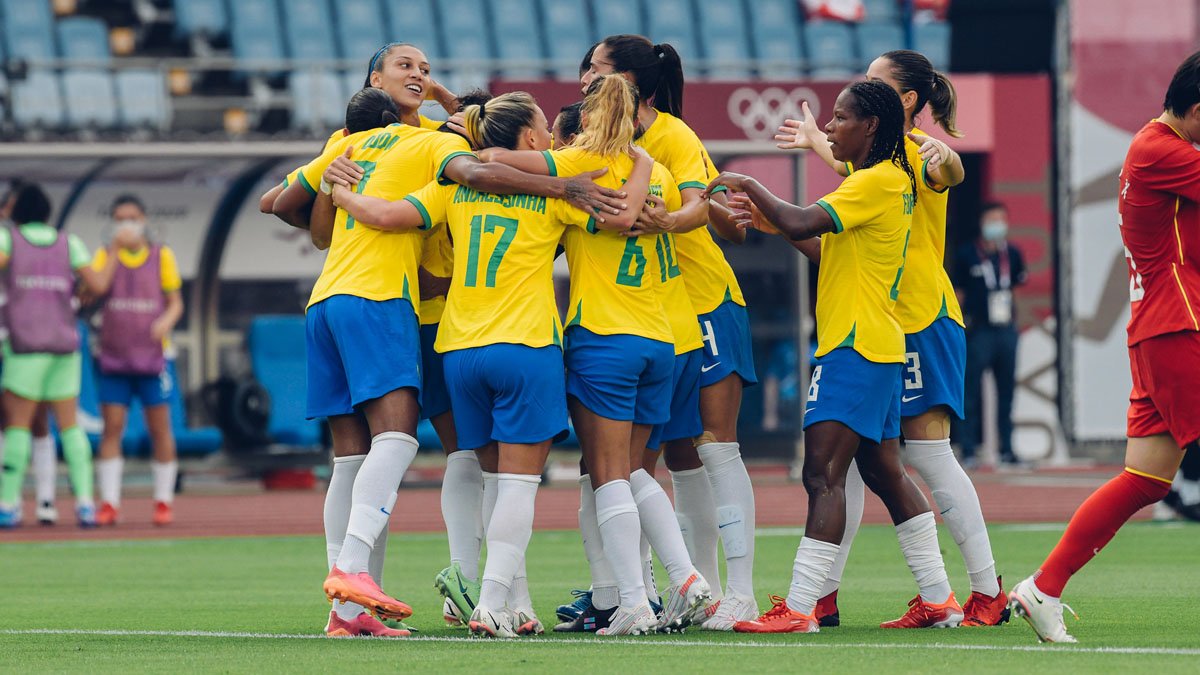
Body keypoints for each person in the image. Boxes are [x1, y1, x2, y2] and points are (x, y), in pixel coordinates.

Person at [304, 44, 634, 629]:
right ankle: (493, 597)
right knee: (504, 478)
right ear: (533, 140)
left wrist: (340, 193)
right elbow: (621, 215)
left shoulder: (363, 152)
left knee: (387, 460)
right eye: (409, 69)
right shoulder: (486, 167)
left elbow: (306, 206)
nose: (421, 78)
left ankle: (360, 603)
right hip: (509, 339)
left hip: (447, 338)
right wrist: (617, 176)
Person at [706, 80, 959, 634]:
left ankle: (798, 609)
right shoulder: (883, 182)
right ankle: (939, 598)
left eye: (840, 118)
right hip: (875, 345)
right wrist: (776, 222)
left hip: (855, 347)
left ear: (870, 126)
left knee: (821, 473)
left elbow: (801, 220)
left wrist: (750, 182)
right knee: (884, 472)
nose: (829, 129)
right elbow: (824, 247)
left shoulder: (875, 180)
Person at [777, 49, 1008, 626]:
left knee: (927, 455)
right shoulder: (879, 160)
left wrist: (951, 159)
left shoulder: (914, 153)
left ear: (904, 101)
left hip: (919, 317)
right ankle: (827, 597)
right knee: (856, 462)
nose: (860, 91)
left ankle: (986, 590)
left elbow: (948, 173)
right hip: (888, 319)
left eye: (873, 84)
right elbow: (844, 169)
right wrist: (814, 142)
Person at [568, 34, 760, 633]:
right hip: (658, 316)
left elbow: (701, 207)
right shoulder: (596, 141)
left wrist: (665, 220)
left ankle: (740, 592)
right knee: (658, 459)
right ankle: (663, 589)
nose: (584, 78)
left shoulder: (672, 135)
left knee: (713, 446)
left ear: (626, 81)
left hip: (704, 302)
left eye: (596, 69)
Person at [1009, 50, 1200, 644]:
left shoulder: (1161, 147)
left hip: (1161, 326)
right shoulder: (1161, 150)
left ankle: (1043, 588)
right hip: (1178, 325)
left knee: (1144, 479)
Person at [0, 182, 103, 528]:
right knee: (70, 427)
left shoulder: (9, 240)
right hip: (63, 345)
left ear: (16, 212)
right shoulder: (67, 242)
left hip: (25, 347)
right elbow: (98, 284)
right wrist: (79, 292)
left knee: (17, 427)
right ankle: (86, 503)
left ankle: (9, 504)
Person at [90, 195, 184, 528]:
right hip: (115, 357)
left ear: (143, 219)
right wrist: (114, 250)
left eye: (131, 217)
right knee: (112, 427)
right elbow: (96, 289)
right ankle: (110, 503)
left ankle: (163, 500)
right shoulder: (104, 255)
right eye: (119, 218)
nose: (126, 224)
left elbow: (176, 302)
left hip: (153, 359)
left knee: (160, 428)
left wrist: (165, 322)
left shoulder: (162, 256)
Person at [0, 182, 58, 526]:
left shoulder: (16, 241)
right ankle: (25, 499)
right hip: (26, 339)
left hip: (20, 341)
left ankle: (37, 499)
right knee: (22, 420)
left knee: (28, 418)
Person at [954, 201, 1027, 466]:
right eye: (992, 220)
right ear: (983, 224)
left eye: (1001, 220)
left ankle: (1007, 450)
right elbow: (959, 295)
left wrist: (1014, 322)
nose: (997, 225)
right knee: (970, 391)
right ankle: (969, 449)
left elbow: (1017, 288)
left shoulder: (1014, 254)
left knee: (1006, 391)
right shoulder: (966, 255)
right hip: (978, 331)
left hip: (1005, 330)